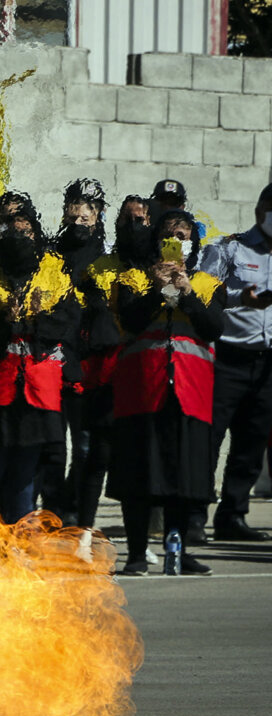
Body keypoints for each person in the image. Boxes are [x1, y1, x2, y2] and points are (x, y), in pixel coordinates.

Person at [108, 210, 225, 575]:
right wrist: (157, 291)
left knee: (183, 475)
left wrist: (187, 293)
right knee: (139, 474)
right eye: (170, 233)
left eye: (184, 233)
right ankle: (137, 554)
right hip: (142, 389)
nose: (177, 238)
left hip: (190, 391)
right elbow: (129, 321)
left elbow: (213, 328)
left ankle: (178, 548)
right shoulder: (133, 279)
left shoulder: (207, 283)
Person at [0, 203, 80, 525]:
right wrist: (6, 319)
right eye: (10, 230)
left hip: (36, 392)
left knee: (25, 476)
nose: (18, 237)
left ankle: (19, 541)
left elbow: (68, 326)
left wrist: (36, 317)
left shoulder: (55, 275)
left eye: (26, 231)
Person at [71, 195, 157, 531]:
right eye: (126, 219)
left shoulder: (159, 268)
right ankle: (85, 530)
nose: (133, 226)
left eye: (141, 220)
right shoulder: (100, 268)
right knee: (97, 454)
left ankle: (147, 532)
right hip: (107, 374)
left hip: (148, 373)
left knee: (142, 456)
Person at [197, 182, 272, 542]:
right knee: (210, 439)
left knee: (251, 443)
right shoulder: (231, 248)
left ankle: (233, 516)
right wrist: (243, 297)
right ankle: (194, 516)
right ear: (260, 212)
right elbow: (204, 291)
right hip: (228, 357)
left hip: (267, 363)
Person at [37, 178, 109, 524]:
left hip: (88, 368)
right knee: (52, 447)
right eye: (74, 215)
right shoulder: (50, 253)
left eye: (86, 216)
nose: (79, 222)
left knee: (84, 448)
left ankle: (77, 518)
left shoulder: (106, 258)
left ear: (97, 215)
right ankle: (52, 514)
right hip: (52, 362)